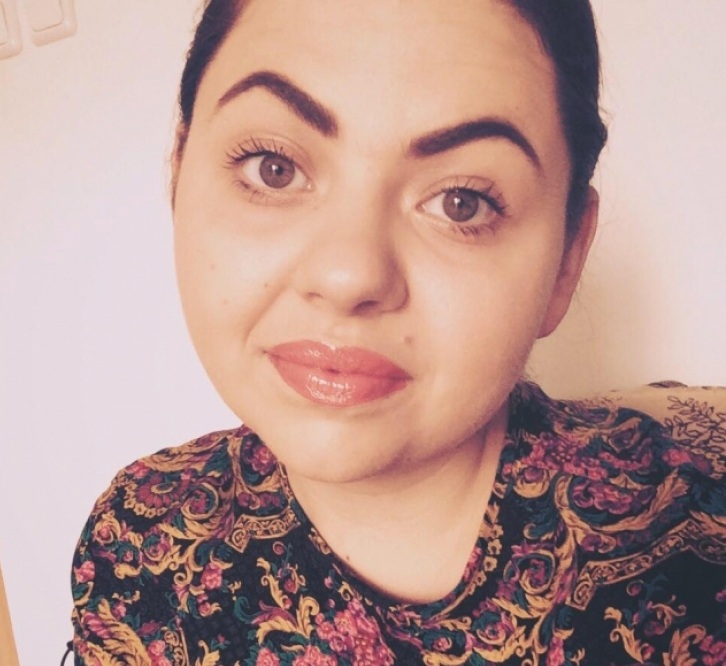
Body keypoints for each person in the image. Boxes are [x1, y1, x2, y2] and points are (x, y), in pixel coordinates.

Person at [69, 1, 726, 664]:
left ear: (567, 259)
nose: (349, 275)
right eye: (273, 167)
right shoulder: (137, 542)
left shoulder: (695, 562)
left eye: (461, 202)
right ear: (178, 174)